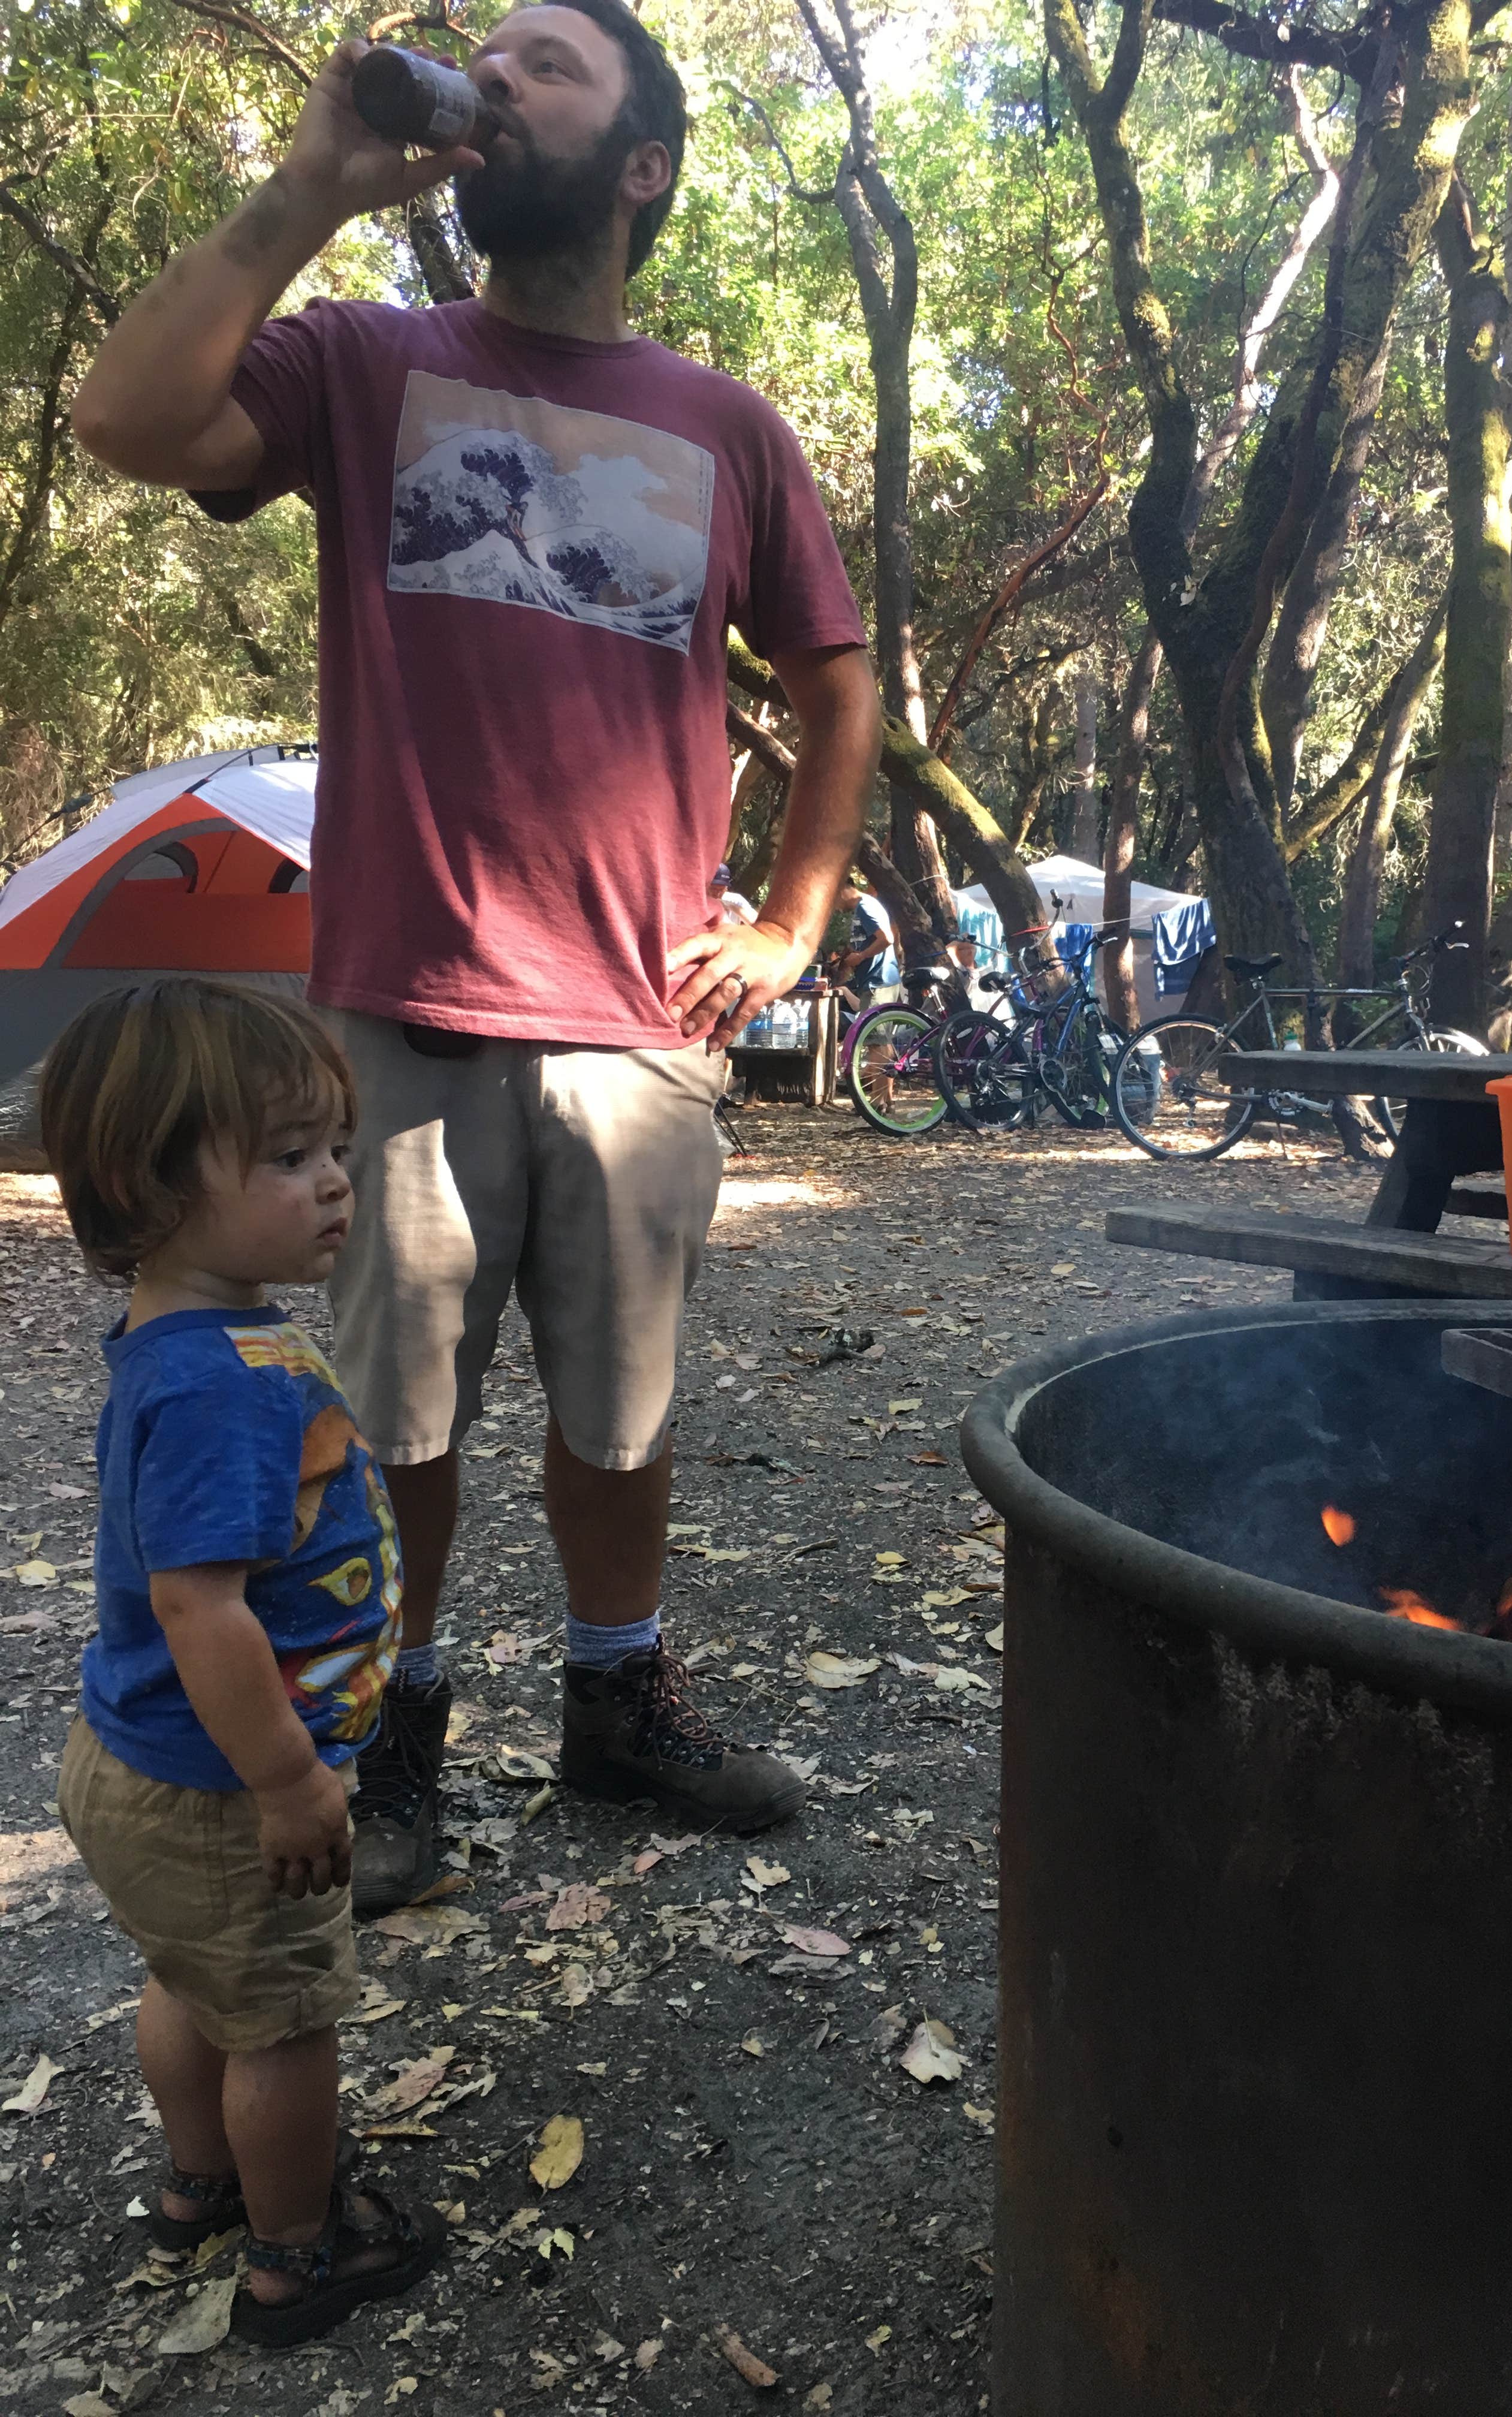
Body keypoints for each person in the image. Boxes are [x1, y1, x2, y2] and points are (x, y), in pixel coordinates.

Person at [72, 0, 883, 1910]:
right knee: (399, 1421)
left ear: (640, 163)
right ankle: (395, 1728)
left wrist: (792, 919)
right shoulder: (365, 360)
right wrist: (312, 189)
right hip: (404, 1001)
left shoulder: (725, 424)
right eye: (484, 54)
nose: (495, 74)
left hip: (638, 1020)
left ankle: (618, 1706)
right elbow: (127, 421)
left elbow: (837, 684)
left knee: (620, 1419)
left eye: (550, 62)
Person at [41, 979, 444, 2344]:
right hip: (226, 1784)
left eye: (332, 1146)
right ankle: (293, 2256)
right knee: (279, 2018)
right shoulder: (216, 1379)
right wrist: (287, 1781)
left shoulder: (200, 1335)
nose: (334, 1180)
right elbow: (202, 1609)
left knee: (194, 1980)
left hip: (153, 1767)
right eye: (287, 1157)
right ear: (145, 1185)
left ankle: (200, 2184)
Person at [827, 881, 893, 1005]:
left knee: (870, 1024)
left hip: (877, 982)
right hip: (870, 983)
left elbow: (887, 939)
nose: (836, 907)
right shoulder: (863, 907)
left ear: (841, 891)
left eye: (833, 900)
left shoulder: (865, 906)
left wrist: (861, 957)